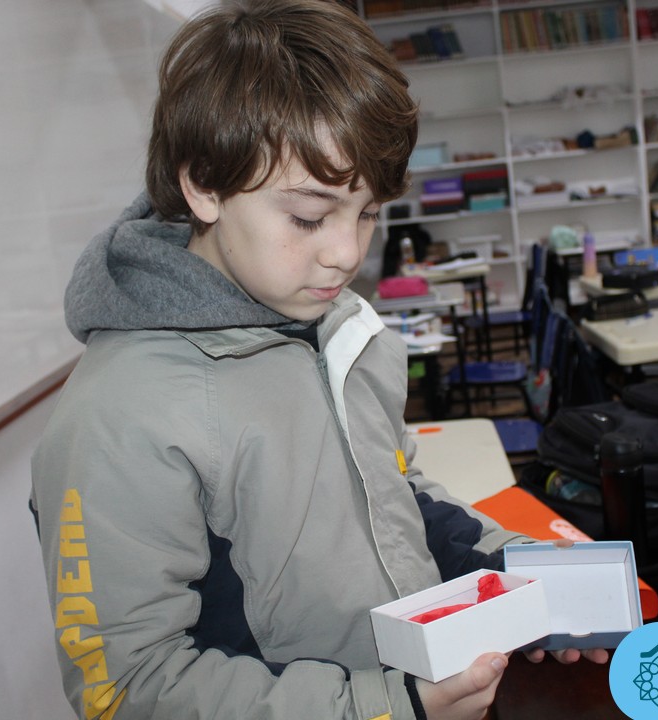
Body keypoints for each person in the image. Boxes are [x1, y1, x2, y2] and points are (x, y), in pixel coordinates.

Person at [30, 1, 606, 719]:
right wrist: (388, 706)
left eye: (367, 212)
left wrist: (512, 575)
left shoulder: (337, 328)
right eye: (308, 217)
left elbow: (393, 496)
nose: (347, 253)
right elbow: (127, 688)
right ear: (204, 185)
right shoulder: (118, 415)